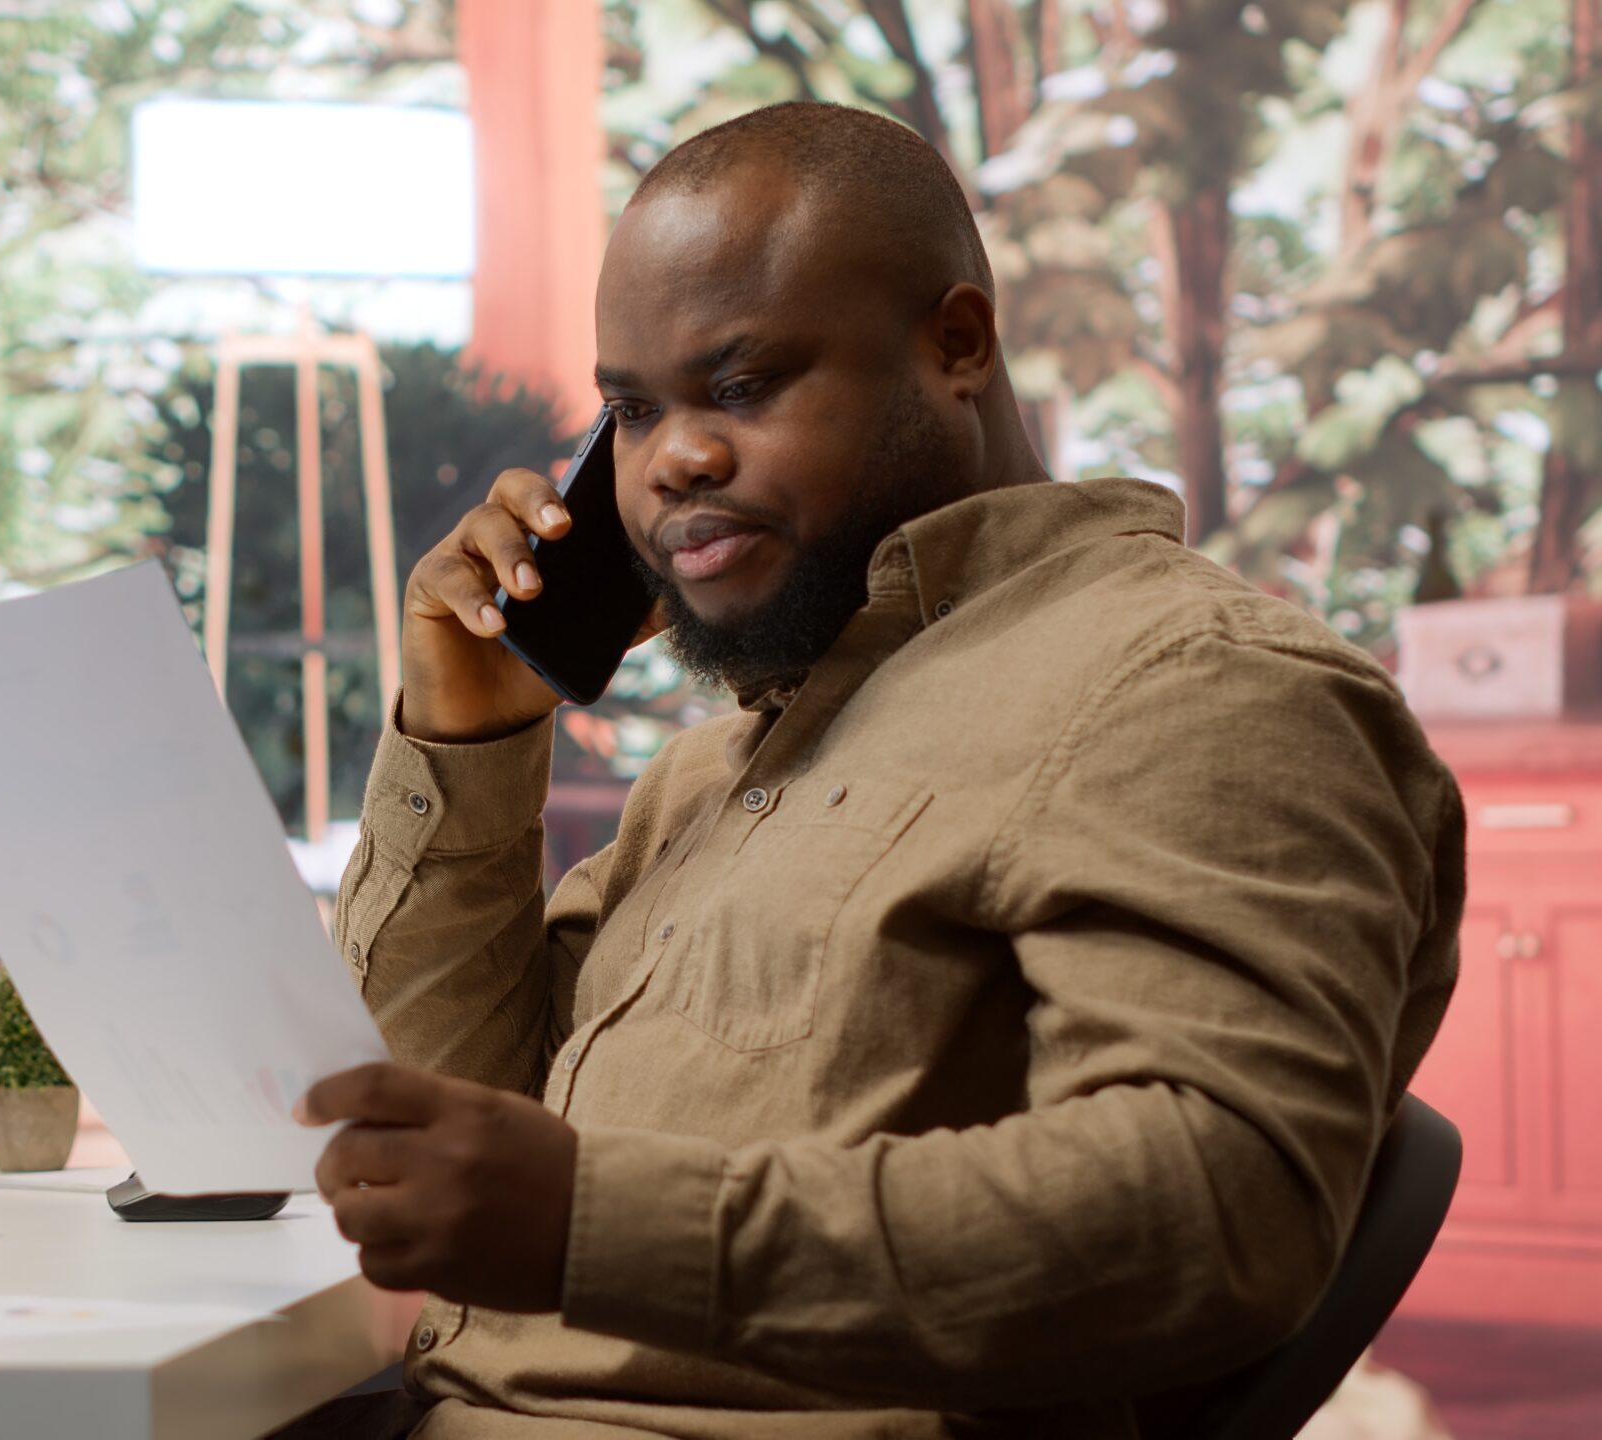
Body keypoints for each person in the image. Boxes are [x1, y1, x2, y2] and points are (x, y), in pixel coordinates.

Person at [283, 101, 1464, 1439]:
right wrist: (471, 742)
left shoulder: (1203, 686)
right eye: (630, 407)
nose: (671, 459)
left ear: (957, 344)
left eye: (741, 385)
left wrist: (594, 1225)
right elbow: (426, 1137)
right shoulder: (718, 771)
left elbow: (1213, 1214)